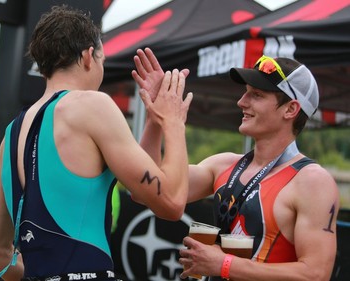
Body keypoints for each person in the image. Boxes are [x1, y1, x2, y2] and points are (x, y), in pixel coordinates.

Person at [0, 6, 192, 281]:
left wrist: (153, 121)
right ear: (88, 56)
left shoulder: (11, 133)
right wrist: (173, 121)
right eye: (102, 60)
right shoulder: (92, 106)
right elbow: (172, 203)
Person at [132, 48, 339, 281]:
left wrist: (224, 265)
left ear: (291, 109)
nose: (241, 102)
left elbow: (316, 274)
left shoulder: (311, 181)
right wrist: (155, 117)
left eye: (257, 95)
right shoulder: (224, 164)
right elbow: (147, 191)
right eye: (245, 93)